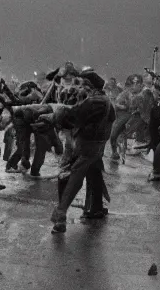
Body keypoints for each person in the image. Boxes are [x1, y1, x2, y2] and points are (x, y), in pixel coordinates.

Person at [41, 70, 115, 233]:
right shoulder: (104, 101)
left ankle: (61, 217)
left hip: (84, 145)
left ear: (90, 86)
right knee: (94, 175)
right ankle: (95, 208)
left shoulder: (95, 102)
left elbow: (71, 115)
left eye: (81, 84)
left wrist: (50, 117)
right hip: (96, 148)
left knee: (66, 176)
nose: (78, 86)